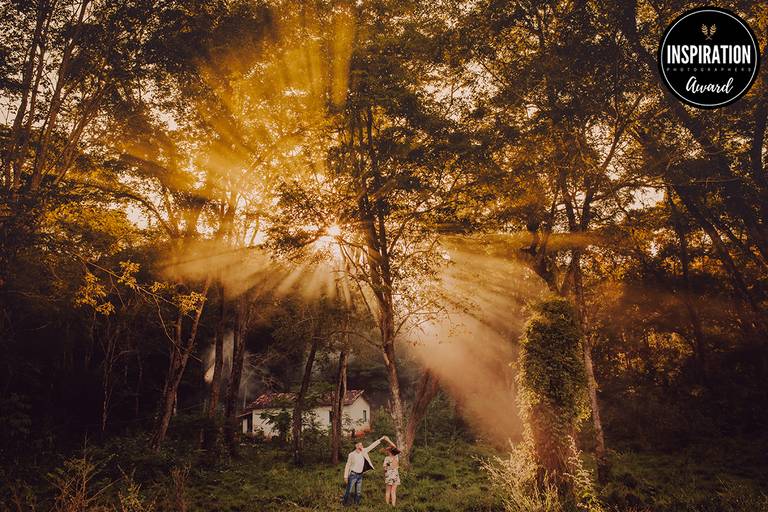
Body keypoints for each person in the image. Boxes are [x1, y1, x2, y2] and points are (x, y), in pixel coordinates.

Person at [342, 435, 388, 506]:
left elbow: (372, 445)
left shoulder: (364, 451)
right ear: (356, 446)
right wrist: (345, 476)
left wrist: (381, 439)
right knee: (349, 490)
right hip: (353, 475)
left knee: (358, 492)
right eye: (360, 445)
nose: (362, 446)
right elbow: (347, 465)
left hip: (360, 475)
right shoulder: (351, 454)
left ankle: (356, 505)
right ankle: (344, 504)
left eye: (362, 445)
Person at [382, 443, 401, 507]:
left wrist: (388, 467)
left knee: (388, 491)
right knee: (393, 492)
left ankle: (387, 506)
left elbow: (385, 468)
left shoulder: (386, 458)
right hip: (395, 475)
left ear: (389, 451)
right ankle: (393, 506)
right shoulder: (396, 457)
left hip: (389, 475)